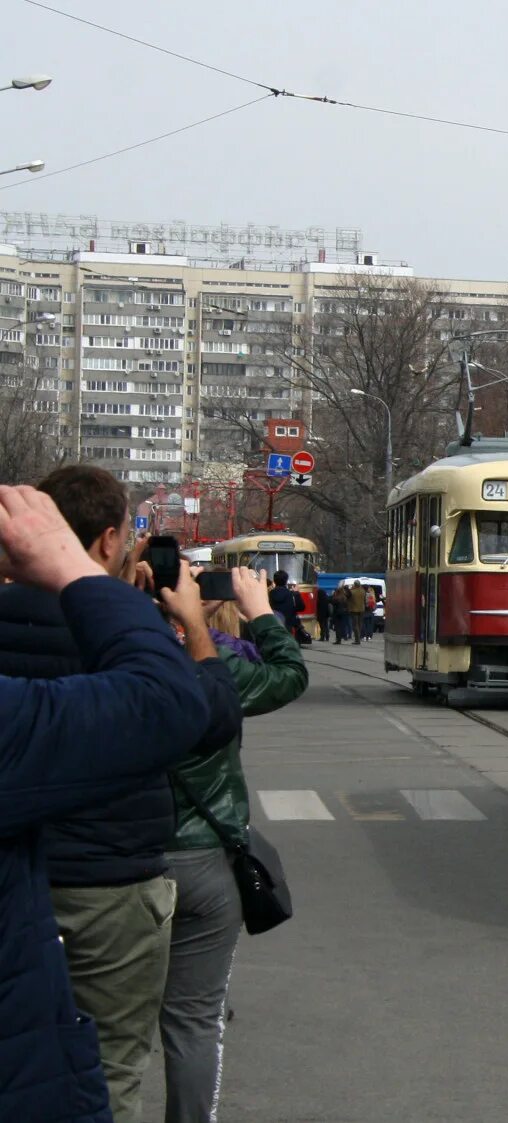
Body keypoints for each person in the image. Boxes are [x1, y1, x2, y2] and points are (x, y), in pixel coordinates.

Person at [0, 470, 245, 1123]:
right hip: (115, 883)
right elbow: (201, 715)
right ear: (107, 541)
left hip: (28, 882)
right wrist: (179, 622)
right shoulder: (124, 636)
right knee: (110, 1064)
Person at [160, 566, 310, 1123]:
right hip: (205, 858)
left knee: (107, 1020)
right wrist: (264, 612)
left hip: (123, 862)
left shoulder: (115, 661)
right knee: (194, 1020)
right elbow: (290, 674)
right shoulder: (221, 670)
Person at [269, 570, 305, 643]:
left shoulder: (270, 594)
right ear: (286, 581)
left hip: (273, 626)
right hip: (287, 627)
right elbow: (301, 607)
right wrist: (297, 593)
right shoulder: (290, 594)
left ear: (274, 581)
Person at [329, 579, 352, 643]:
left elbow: (331, 601)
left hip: (337, 613)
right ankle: (344, 636)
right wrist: (347, 589)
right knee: (344, 625)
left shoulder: (336, 597)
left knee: (337, 626)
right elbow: (350, 595)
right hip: (344, 612)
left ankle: (338, 639)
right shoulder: (344, 597)